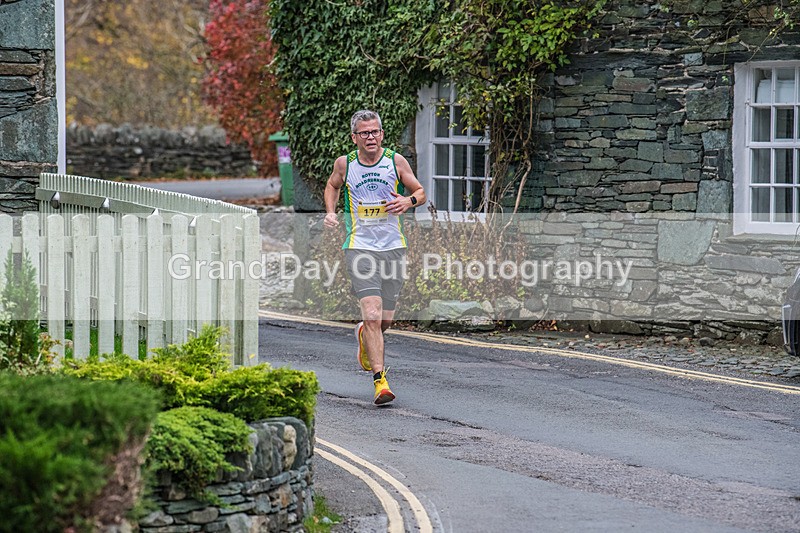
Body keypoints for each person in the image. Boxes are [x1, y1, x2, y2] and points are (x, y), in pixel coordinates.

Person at [324, 109, 426, 405]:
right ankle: (381, 382)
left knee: (384, 320)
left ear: (382, 134)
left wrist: (407, 201)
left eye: (375, 132)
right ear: (354, 137)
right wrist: (331, 213)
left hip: (394, 246)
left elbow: (420, 192)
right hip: (359, 246)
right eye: (365, 133)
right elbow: (332, 185)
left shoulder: (395, 161)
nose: (371, 137)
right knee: (371, 313)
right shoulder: (345, 164)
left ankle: (364, 335)